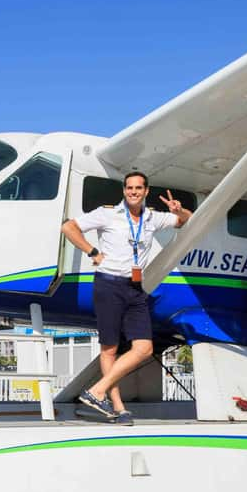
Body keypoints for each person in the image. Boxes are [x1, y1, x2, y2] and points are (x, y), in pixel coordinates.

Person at [61, 172, 191, 424]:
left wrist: (180, 209)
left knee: (144, 348)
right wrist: (93, 252)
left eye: (138, 188)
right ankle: (117, 408)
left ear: (146, 191)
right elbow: (69, 227)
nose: (133, 191)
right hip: (108, 284)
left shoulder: (153, 217)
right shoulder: (107, 213)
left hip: (135, 287)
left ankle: (96, 392)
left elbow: (185, 221)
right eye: (129, 187)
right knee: (109, 348)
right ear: (124, 191)